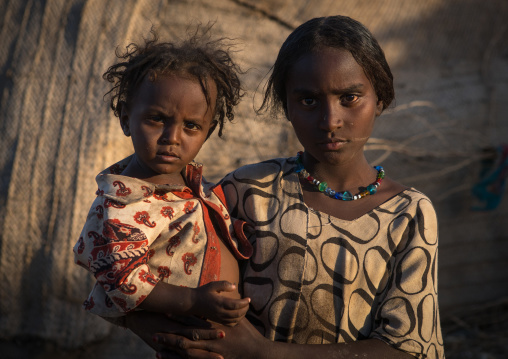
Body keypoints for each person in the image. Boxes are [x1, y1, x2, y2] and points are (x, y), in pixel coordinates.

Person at [126, 15, 445, 359]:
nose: (330, 121)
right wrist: (163, 333)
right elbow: (139, 275)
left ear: (380, 98)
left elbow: (408, 349)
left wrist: (262, 352)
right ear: (287, 106)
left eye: (349, 97)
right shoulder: (245, 192)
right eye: (308, 100)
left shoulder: (408, 214)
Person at [73, 26, 253, 328]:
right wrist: (194, 301)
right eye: (157, 119)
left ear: (208, 131)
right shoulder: (121, 206)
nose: (172, 137)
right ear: (126, 117)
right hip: (183, 335)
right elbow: (121, 281)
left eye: (192, 126)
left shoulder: (194, 185)